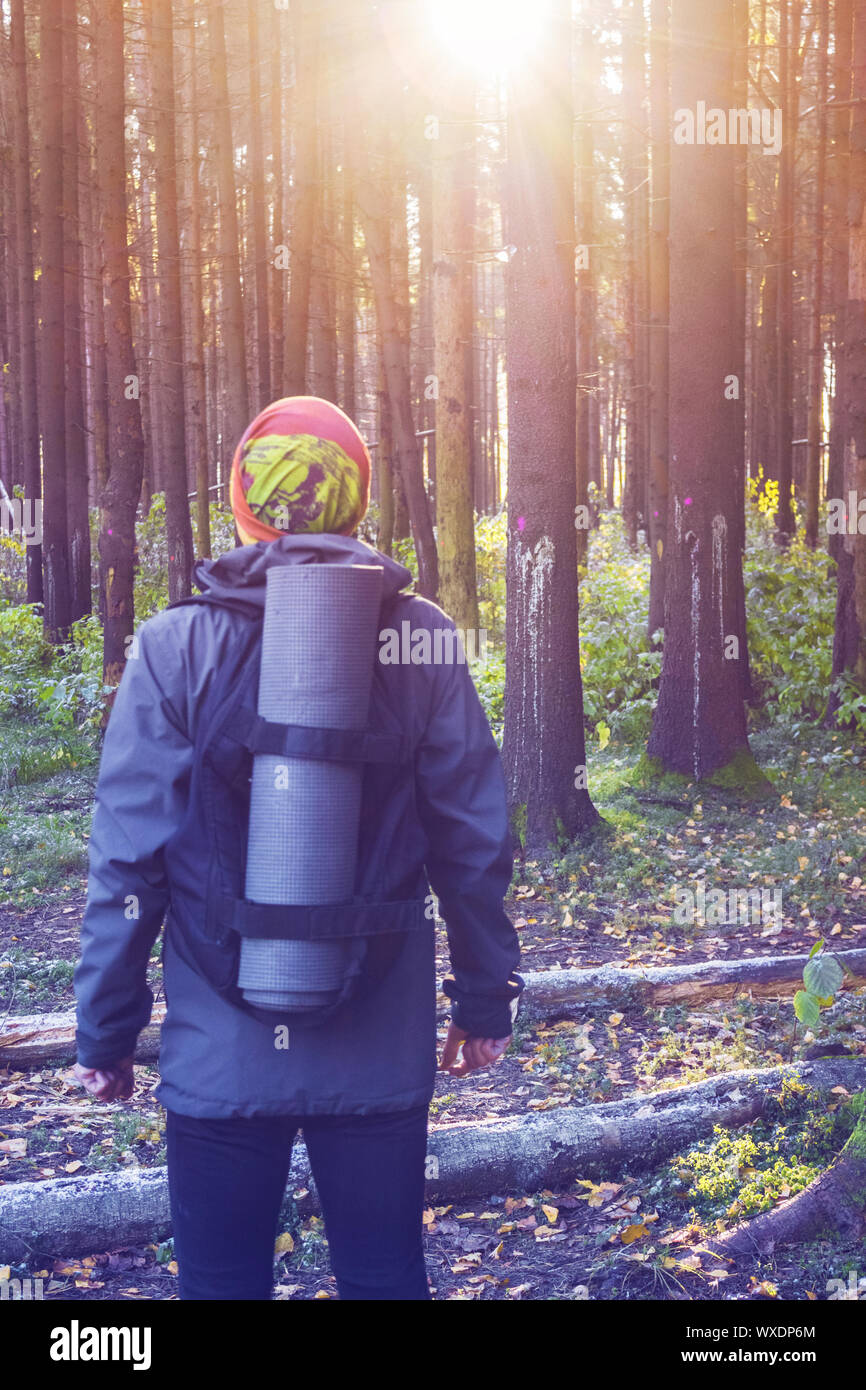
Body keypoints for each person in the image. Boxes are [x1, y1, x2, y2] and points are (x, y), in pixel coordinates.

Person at [73, 396, 523, 1301]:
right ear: (357, 505)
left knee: (222, 1285)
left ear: (242, 504)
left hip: (218, 1053)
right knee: (384, 1277)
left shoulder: (173, 646)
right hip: (379, 1047)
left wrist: (106, 1031)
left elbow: (129, 860)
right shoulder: (419, 637)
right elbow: (472, 842)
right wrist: (483, 999)